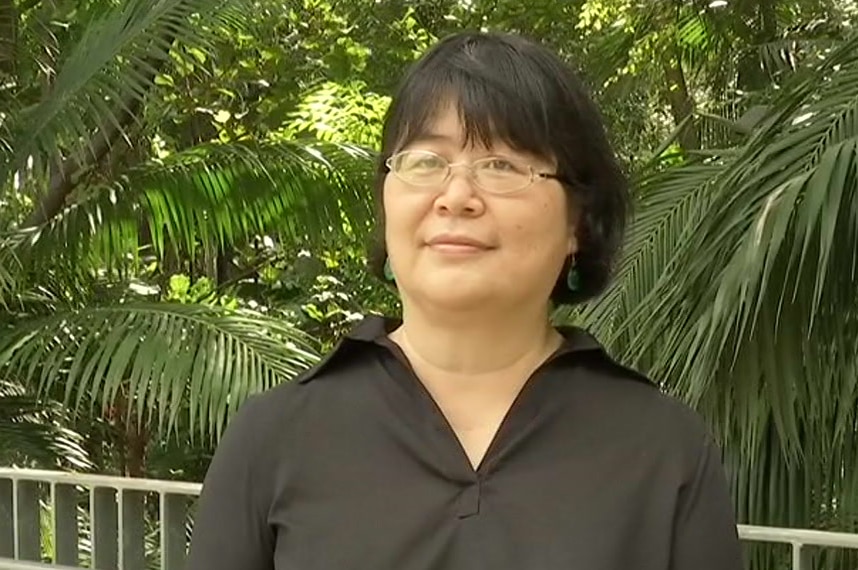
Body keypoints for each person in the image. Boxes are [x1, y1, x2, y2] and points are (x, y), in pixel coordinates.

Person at [186, 31, 744, 570]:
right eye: (426, 162)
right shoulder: (274, 439)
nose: (456, 197)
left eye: (502, 165)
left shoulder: (661, 446)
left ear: (578, 221)